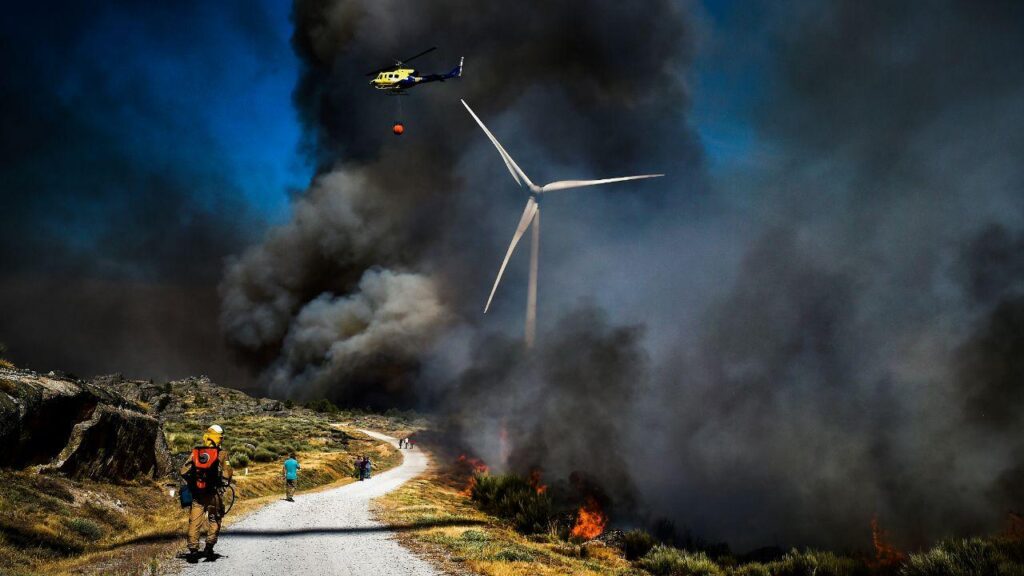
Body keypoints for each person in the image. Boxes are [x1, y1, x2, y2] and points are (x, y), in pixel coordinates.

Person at [180, 424, 233, 561]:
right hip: (214, 494)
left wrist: (193, 482)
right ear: (219, 438)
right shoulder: (222, 454)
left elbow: (183, 471)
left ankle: (193, 551)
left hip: (198, 494)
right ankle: (209, 548)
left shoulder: (196, 452)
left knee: (194, 522)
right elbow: (228, 473)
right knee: (215, 519)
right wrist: (223, 482)